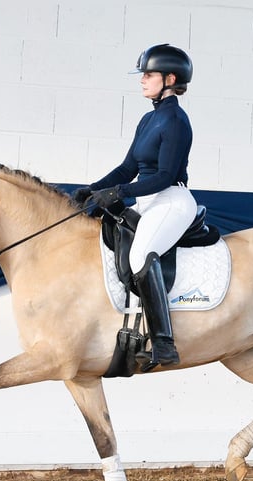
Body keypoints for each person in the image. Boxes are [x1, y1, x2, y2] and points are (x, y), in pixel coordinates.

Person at [74, 44, 196, 371]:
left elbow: (165, 176)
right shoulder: (148, 119)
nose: (142, 80)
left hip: (171, 199)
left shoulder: (176, 121)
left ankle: (164, 343)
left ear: (170, 78)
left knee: (140, 254)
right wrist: (93, 189)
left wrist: (119, 192)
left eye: (149, 74)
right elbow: (128, 168)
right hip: (149, 198)